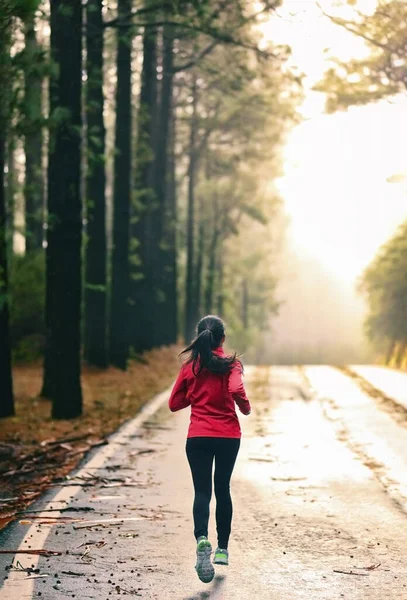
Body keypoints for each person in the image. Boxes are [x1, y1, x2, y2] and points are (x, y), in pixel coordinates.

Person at [169, 315, 251, 584]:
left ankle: (202, 537)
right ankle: (223, 549)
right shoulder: (232, 364)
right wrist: (245, 407)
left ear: (199, 336)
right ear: (222, 339)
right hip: (228, 436)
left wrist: (195, 396)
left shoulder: (191, 366)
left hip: (198, 437)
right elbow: (236, 387)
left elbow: (174, 402)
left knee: (202, 491)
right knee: (222, 489)